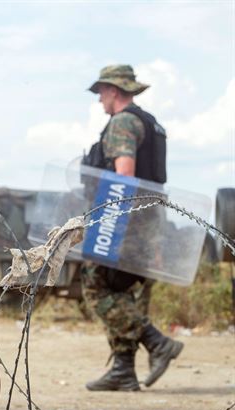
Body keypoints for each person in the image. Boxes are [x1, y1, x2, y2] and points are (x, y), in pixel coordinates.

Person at [81, 65, 183, 391]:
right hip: (149, 221)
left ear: (113, 90)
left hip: (124, 221)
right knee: (123, 291)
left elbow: (123, 175)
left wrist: (109, 227)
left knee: (95, 287)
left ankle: (157, 343)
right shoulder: (150, 124)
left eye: (101, 93)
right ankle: (123, 370)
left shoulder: (123, 122)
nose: (99, 100)